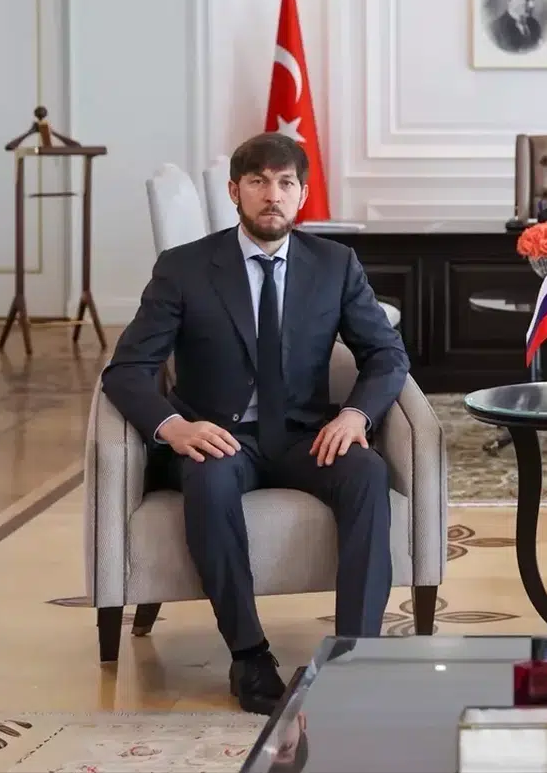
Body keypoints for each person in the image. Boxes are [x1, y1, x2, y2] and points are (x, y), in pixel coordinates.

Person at [101, 132, 410, 715]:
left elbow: (386, 354)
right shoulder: (185, 268)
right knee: (209, 477)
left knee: (367, 472)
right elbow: (127, 370)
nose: (273, 195)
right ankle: (249, 655)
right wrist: (174, 426)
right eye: (258, 181)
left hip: (305, 437)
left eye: (286, 183)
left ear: (303, 194)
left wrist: (355, 414)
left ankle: (353, 656)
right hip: (219, 437)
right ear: (234, 191)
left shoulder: (335, 264)